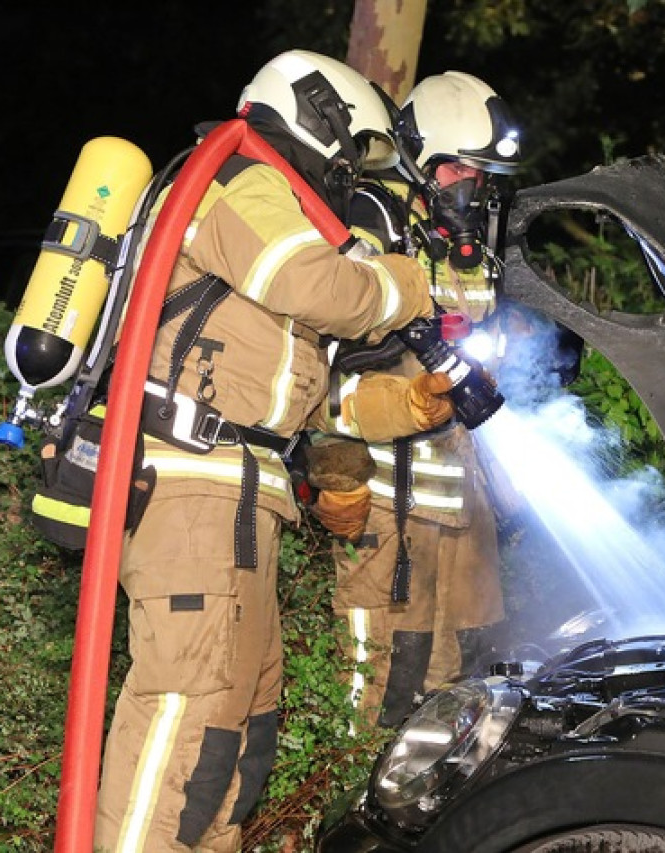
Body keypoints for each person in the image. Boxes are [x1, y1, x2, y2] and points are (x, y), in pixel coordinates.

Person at [93, 50, 456, 852]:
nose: (348, 180)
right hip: (194, 487)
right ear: (318, 123)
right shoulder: (237, 180)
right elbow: (318, 289)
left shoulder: (273, 214)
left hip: (241, 492)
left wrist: (410, 401)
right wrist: (413, 284)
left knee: (238, 724)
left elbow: (302, 400)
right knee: (185, 709)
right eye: (348, 157)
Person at [310, 71, 522, 729]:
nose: (473, 186)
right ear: (422, 158)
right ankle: (343, 811)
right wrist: (337, 477)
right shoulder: (373, 223)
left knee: (458, 690)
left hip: (461, 507)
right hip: (386, 508)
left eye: (483, 174)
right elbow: (324, 367)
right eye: (460, 168)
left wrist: (504, 493)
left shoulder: (477, 253)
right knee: (374, 696)